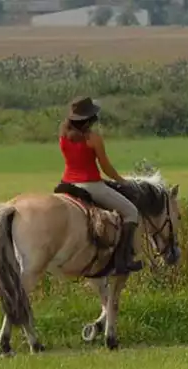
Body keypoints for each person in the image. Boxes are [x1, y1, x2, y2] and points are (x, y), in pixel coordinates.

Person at [59, 96, 142, 274]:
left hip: (67, 184)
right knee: (131, 212)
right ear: (89, 119)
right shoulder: (93, 138)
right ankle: (123, 259)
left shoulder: (63, 136)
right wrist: (122, 181)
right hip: (91, 185)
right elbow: (105, 167)